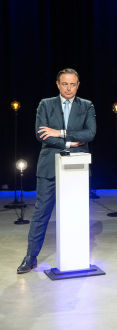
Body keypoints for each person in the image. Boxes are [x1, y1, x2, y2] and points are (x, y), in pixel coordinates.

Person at [17, 68, 96, 274]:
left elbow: (90, 133)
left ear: (78, 85)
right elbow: (41, 134)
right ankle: (30, 257)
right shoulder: (45, 104)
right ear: (58, 84)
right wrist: (70, 142)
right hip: (49, 167)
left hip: (77, 168)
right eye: (64, 84)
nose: (68, 88)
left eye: (72, 84)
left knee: (75, 213)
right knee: (41, 213)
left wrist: (59, 133)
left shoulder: (87, 106)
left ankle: (75, 259)